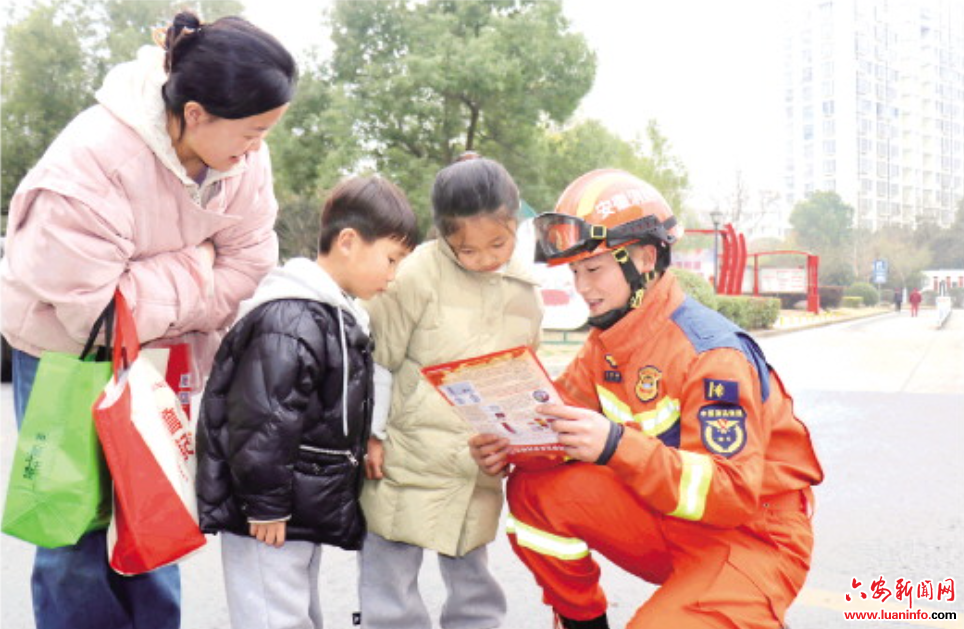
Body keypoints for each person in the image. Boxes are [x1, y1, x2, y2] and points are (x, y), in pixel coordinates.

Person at [0, 11, 296, 629]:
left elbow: (251, 262)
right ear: (194, 114)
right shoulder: (93, 161)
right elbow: (96, 309)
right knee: (74, 523)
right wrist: (199, 266)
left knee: (158, 507)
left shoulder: (243, 159)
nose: (258, 147)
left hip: (167, 355)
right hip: (65, 354)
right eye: (251, 131)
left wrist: (166, 279)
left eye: (267, 130)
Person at [470, 169, 824, 629]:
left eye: (593, 269)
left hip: (753, 537)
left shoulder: (712, 354)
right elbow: (556, 425)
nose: (583, 287)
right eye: (576, 271)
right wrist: (510, 444)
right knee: (533, 491)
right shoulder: (608, 342)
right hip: (671, 520)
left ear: (644, 258)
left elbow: (730, 494)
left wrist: (616, 444)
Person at [195, 176, 419, 629]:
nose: (393, 277)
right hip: (266, 512)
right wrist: (267, 505)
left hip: (291, 504)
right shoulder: (291, 318)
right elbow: (261, 422)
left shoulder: (330, 314)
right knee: (273, 616)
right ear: (349, 241)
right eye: (391, 259)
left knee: (293, 612)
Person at [358, 156, 544, 629]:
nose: (485, 258)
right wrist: (371, 436)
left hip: (475, 461)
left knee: (473, 581)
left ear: (516, 220)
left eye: (498, 243)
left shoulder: (525, 290)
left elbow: (527, 378)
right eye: (468, 250)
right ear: (443, 234)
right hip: (405, 453)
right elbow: (378, 358)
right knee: (390, 580)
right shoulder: (415, 274)